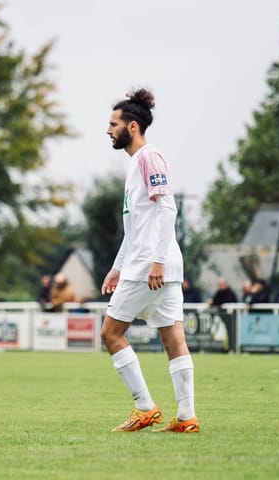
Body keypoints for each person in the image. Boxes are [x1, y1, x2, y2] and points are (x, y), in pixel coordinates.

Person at [100, 88, 198, 433]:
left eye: (113, 124)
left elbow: (167, 207)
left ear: (132, 126)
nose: (108, 130)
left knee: (111, 333)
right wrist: (116, 267)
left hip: (151, 266)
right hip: (155, 264)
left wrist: (156, 261)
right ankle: (186, 419)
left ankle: (145, 407)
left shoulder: (148, 157)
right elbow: (135, 229)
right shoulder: (134, 166)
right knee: (173, 339)